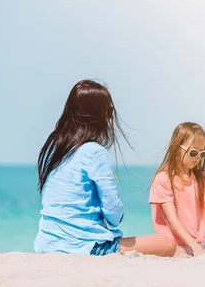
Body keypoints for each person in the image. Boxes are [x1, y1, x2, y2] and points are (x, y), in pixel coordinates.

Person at [34, 79, 176, 256]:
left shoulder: (56, 150)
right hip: (83, 247)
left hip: (46, 244)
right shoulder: (95, 152)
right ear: (100, 115)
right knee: (167, 244)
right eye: (110, 111)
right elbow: (114, 217)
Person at [149, 122, 205, 256]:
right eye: (193, 152)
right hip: (176, 244)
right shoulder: (163, 179)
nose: (197, 158)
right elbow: (172, 219)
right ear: (177, 147)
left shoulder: (202, 177)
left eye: (202, 154)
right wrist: (194, 247)